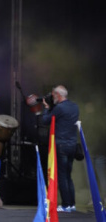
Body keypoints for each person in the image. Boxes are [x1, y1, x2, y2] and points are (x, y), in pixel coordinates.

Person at [41, 84, 80, 213]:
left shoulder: (59, 108)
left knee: (62, 176)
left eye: (53, 96)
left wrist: (47, 108)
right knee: (68, 175)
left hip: (61, 145)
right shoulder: (75, 107)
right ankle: (72, 204)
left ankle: (66, 204)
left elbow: (45, 120)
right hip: (72, 145)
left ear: (58, 95)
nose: (53, 98)